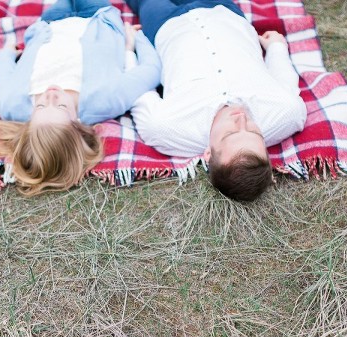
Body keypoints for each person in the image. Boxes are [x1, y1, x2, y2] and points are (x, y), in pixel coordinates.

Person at [125, 0, 307, 201]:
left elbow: (138, 89)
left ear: (208, 154)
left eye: (230, 133)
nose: (241, 119)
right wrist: (276, 47)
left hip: (166, 25)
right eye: (255, 132)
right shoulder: (287, 114)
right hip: (222, 12)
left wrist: (130, 49)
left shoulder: (166, 129)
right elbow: (284, 78)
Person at [0, 0, 161, 196]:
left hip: (51, 22)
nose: (51, 94)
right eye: (60, 106)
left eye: (40, 106)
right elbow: (151, 71)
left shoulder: (10, 104)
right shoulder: (105, 99)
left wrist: (7, 54)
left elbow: (3, 76)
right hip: (97, 17)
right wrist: (135, 41)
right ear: (77, 125)